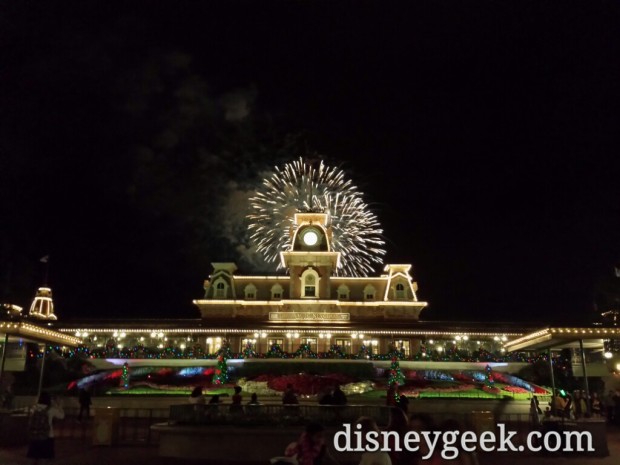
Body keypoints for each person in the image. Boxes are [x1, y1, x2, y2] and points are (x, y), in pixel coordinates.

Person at [27, 392, 64, 465]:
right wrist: (59, 406)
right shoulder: (51, 409)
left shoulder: (34, 408)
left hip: (35, 435)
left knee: (33, 458)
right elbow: (62, 416)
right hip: (47, 436)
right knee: (44, 458)